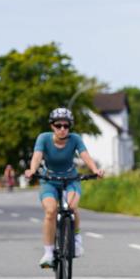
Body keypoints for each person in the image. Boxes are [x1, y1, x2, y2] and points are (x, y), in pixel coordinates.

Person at [24, 107, 104, 268]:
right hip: (49, 180)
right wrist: (32, 170)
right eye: (58, 125)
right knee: (50, 211)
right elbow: (37, 156)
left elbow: (84, 155)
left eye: (66, 126)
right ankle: (48, 252)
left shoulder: (75, 139)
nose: (62, 129)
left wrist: (95, 170)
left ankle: (76, 238)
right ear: (52, 126)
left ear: (70, 126)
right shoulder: (43, 138)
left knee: (72, 207)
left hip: (71, 179)